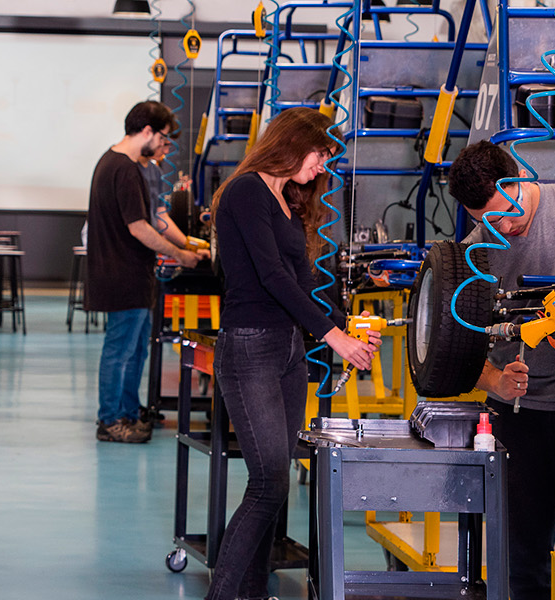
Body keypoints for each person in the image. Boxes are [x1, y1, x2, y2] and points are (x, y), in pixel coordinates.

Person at [207, 106, 380, 600]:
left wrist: (346, 324)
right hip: (251, 347)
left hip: (286, 350)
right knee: (267, 484)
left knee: (276, 484)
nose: (324, 164)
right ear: (292, 143)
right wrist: (333, 337)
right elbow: (271, 277)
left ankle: (251, 594)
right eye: (321, 153)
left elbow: (302, 282)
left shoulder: (287, 201)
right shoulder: (246, 191)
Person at [447, 140, 555, 600]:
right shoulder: (474, 254)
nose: (503, 227)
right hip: (519, 417)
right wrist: (495, 380)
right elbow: (455, 345)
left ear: (520, 176)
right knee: (520, 560)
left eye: (507, 211)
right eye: (488, 220)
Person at [86, 101, 207, 443]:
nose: (163, 147)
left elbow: (153, 219)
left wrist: (190, 246)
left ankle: (126, 410)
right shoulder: (123, 168)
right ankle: (109, 420)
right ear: (148, 132)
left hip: (132, 274)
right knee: (119, 351)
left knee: (135, 350)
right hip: (121, 275)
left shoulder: (123, 164)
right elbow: (139, 227)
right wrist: (180, 255)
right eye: (163, 138)